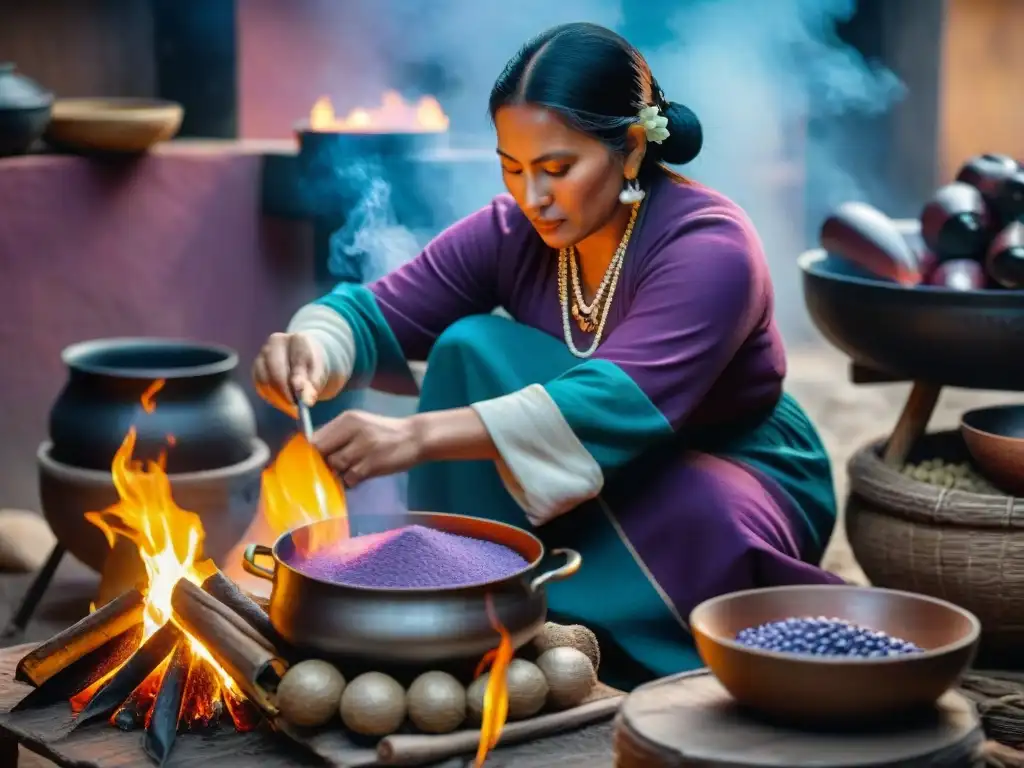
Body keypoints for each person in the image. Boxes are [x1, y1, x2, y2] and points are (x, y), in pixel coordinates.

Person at [253, 22, 842, 690]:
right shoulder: (515, 233)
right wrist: (313, 347)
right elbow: (375, 312)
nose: (532, 197)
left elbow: (613, 403)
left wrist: (413, 436)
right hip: (577, 463)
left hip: (725, 463)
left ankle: (614, 629)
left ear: (629, 150)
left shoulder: (711, 247)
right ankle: (484, 601)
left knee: (695, 508)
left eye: (557, 169)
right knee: (471, 346)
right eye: (512, 169)